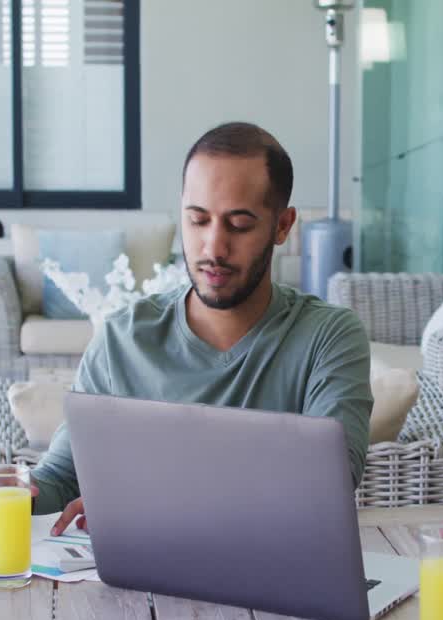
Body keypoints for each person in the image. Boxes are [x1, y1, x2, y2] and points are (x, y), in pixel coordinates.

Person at [25, 122, 373, 535]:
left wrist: (148, 503)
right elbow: (62, 478)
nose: (213, 248)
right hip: (144, 587)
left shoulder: (328, 337)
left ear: (282, 226)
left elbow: (330, 481)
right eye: (198, 220)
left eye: (239, 224)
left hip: (272, 583)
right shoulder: (123, 340)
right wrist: (21, 494)